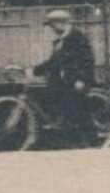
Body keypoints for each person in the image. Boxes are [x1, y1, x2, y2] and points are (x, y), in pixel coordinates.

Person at [34, 8, 98, 141]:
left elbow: (87, 60)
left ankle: (92, 141)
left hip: (77, 81)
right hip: (65, 80)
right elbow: (54, 61)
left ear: (61, 23)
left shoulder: (76, 37)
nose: (52, 29)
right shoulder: (61, 40)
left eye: (52, 25)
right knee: (52, 97)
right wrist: (36, 70)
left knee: (78, 108)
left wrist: (81, 79)